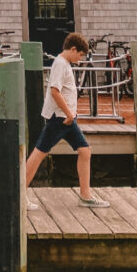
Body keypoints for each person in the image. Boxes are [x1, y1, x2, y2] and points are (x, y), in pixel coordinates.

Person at [23, 33, 109, 209]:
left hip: (68, 119)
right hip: (60, 119)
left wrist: (71, 116)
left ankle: (85, 196)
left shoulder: (65, 63)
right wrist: (69, 114)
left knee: (85, 151)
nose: (80, 59)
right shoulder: (61, 64)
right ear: (73, 49)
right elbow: (55, 91)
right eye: (80, 55)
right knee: (38, 154)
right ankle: (18, 195)